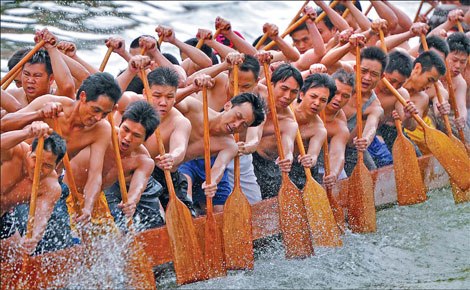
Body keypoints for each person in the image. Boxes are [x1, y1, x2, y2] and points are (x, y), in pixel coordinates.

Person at [1, 72, 122, 227]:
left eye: (105, 114)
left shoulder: (102, 130)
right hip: (16, 174)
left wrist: (88, 207)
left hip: (48, 185)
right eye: (95, 110)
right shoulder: (49, 102)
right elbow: (4, 124)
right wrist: (38, 114)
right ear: (83, 97)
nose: (98, 118)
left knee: (60, 243)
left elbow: (95, 174)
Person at [66, 100, 161, 232]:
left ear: (145, 139)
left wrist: (131, 203)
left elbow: (136, 190)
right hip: (66, 192)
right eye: (125, 129)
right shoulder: (103, 130)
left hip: (95, 201)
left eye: (136, 135)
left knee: (110, 244)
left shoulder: (144, 161)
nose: (127, 138)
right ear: (120, 124)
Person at [176, 80, 266, 213]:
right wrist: (192, 88)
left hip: (203, 166)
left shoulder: (230, 145)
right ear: (228, 105)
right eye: (237, 116)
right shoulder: (195, 108)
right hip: (175, 164)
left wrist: (212, 182)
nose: (236, 125)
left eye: (244, 125)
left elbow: (219, 167)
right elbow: (170, 100)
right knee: (186, 196)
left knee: (220, 211)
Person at [1, 121, 67, 255]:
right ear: (30, 150)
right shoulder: (16, 151)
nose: (37, 169)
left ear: (57, 164)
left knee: (17, 255)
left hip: (3, 215)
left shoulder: (51, 186)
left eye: (47, 165)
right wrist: (27, 132)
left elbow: (40, 219)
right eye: (35, 159)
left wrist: (33, 237)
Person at [252, 62, 303, 198]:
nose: (287, 96)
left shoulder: (288, 121)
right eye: (284, 88)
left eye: (293, 92)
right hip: (240, 154)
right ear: (271, 84)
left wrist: (287, 158)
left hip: (265, 164)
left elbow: (288, 148)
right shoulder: (256, 92)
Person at [5, 28, 75, 107]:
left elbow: (67, 86)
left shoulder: (58, 98)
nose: (30, 80)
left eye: (37, 75)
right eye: (26, 74)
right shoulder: (12, 96)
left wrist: (52, 49)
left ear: (51, 79)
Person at [289, 73, 336, 189]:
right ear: (301, 94)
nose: (316, 103)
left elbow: (313, 156)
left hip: (298, 166)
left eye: (323, 100)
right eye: (313, 96)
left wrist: (309, 160)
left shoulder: (319, 129)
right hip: (272, 161)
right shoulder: (286, 109)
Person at [404, 51, 449, 155]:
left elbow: (411, 126)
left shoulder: (422, 98)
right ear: (417, 68)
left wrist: (442, 109)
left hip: (413, 136)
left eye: (434, 82)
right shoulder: (400, 71)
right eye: (429, 80)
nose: (430, 86)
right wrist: (410, 33)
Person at [374, 50, 419, 155]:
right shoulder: (367, 81)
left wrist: (409, 116)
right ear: (382, 73)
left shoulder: (401, 94)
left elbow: (411, 127)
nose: (394, 87)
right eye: (392, 81)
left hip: (385, 132)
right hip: (359, 134)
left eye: (400, 84)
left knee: (415, 155)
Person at [319, 69, 353, 189]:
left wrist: (333, 174)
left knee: (341, 181)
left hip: (323, 162)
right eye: (336, 92)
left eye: (345, 96)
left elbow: (337, 155)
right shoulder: (311, 102)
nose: (338, 99)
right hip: (294, 159)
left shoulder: (340, 125)